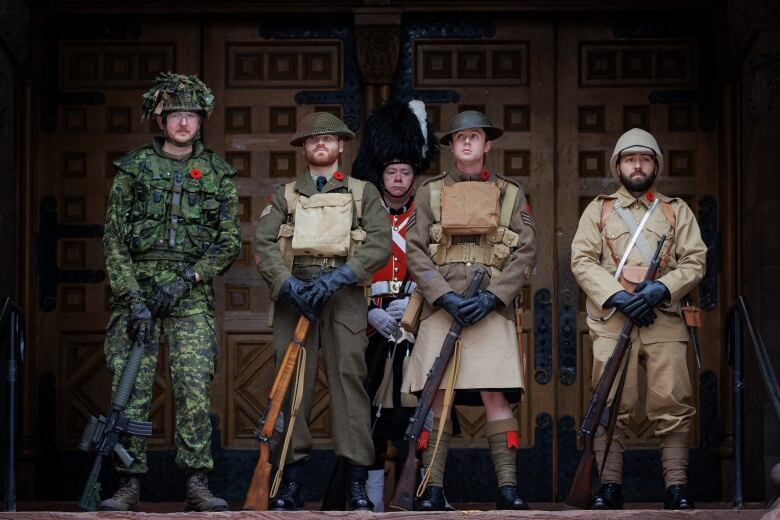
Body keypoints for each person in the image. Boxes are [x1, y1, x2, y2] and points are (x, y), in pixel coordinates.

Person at [100, 72, 240, 512]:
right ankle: (128, 482)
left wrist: (187, 280)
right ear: (161, 120)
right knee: (131, 390)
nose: (183, 123)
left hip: (190, 299)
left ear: (201, 121)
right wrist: (134, 297)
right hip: (136, 298)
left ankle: (197, 481)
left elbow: (229, 241)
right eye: (175, 114)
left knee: (194, 390)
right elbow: (114, 240)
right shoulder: (132, 169)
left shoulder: (217, 174)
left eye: (191, 116)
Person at [253, 112, 391, 511]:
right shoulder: (285, 195)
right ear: (303, 149)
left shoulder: (364, 193)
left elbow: (379, 243)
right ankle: (291, 480)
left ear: (341, 146)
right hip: (293, 298)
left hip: (344, 296)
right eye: (312, 140)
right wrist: (288, 286)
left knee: (349, 382)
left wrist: (343, 275)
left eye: (328, 139)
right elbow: (263, 245)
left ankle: (356, 482)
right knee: (292, 383)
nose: (320, 145)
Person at [402, 110, 536, 511]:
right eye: (459, 138)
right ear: (450, 147)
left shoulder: (510, 193)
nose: (466, 143)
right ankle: (431, 487)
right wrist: (443, 296)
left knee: (496, 397)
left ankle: (508, 489)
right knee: (437, 396)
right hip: (442, 308)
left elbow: (526, 251)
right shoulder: (429, 193)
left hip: (490, 310)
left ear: (487, 144)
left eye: (474, 137)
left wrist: (493, 297)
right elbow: (415, 249)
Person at [570, 128, 706, 510]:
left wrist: (659, 290)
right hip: (615, 319)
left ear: (655, 166)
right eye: (630, 159)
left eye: (645, 159)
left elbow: (694, 260)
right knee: (611, 402)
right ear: (618, 165)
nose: (637, 165)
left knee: (673, 401)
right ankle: (609, 486)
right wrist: (617, 296)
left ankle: (676, 487)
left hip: (664, 318)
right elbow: (582, 260)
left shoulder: (675, 210)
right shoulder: (598, 209)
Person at [350, 100, 438, 511]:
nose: (399, 179)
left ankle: (417, 492)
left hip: (415, 325)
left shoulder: (428, 215)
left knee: (415, 415)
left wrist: (413, 309)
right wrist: (370, 311)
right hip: (371, 326)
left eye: (406, 172)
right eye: (392, 172)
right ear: (380, 173)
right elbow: (348, 266)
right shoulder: (363, 216)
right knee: (368, 417)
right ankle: (370, 500)